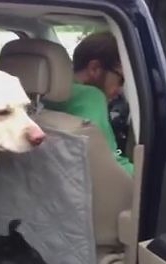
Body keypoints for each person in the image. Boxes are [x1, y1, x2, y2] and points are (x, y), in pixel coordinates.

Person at [44, 31, 134, 175]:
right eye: (120, 79)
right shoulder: (91, 97)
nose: (120, 90)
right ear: (95, 68)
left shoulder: (38, 98)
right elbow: (109, 165)